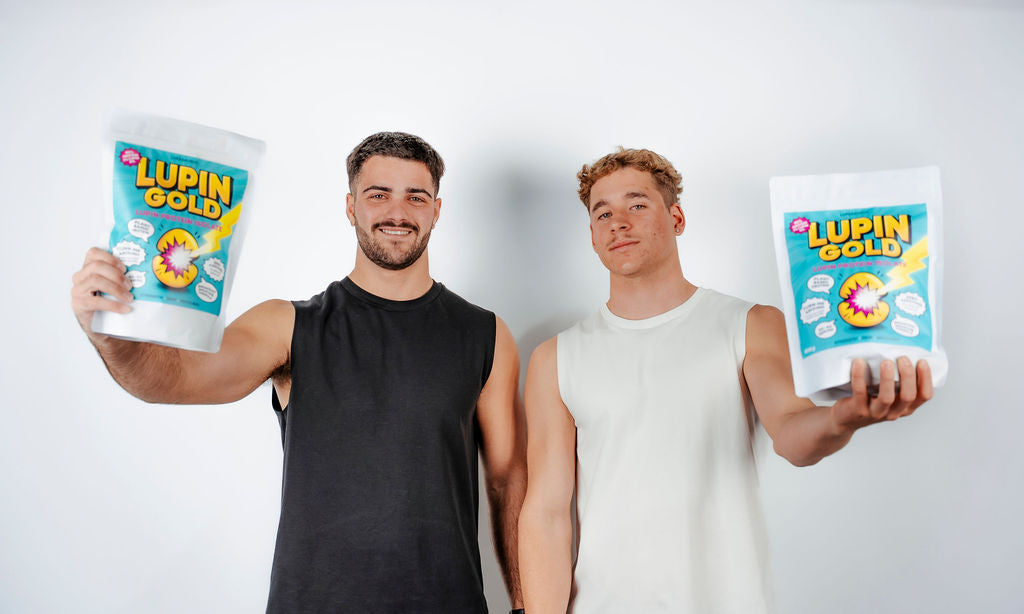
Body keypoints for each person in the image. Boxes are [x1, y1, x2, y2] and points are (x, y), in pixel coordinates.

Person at [71, 132, 527, 613]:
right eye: (378, 195)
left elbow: (507, 479)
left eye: (416, 196)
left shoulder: (485, 333)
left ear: (436, 210)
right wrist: (109, 335)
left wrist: (524, 604)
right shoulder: (288, 326)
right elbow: (174, 379)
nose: (398, 212)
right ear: (351, 207)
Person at [517, 148, 934, 613]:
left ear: (676, 217)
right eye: (603, 213)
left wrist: (843, 417)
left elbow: (794, 434)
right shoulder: (556, 358)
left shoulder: (749, 324)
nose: (619, 222)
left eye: (637, 205)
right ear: (592, 237)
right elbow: (547, 514)